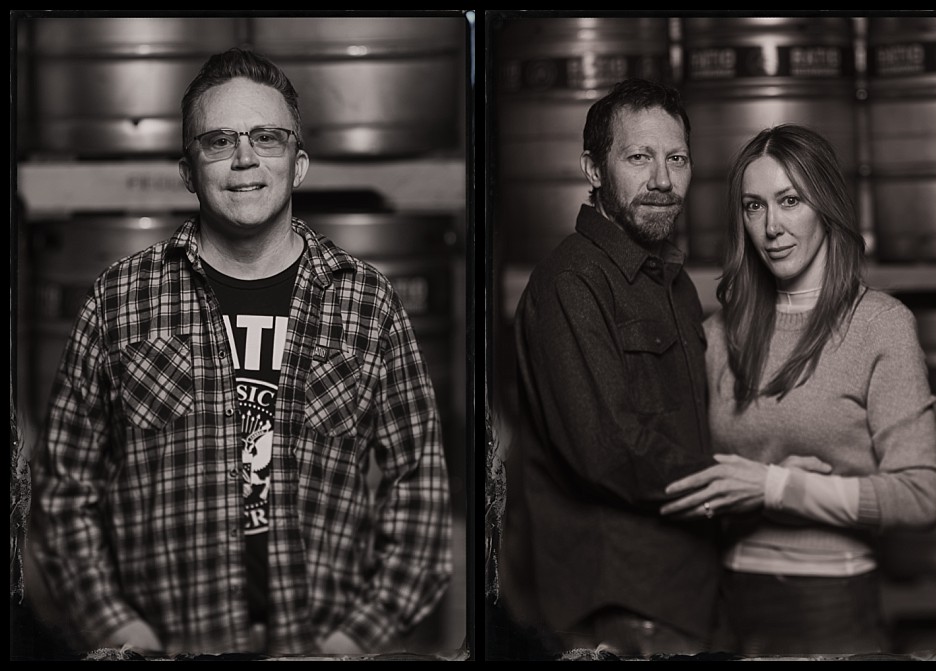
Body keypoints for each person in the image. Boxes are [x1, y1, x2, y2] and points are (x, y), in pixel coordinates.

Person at [30, 48, 453, 657]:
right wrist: (116, 629)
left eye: (268, 138)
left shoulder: (365, 300)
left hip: (317, 646)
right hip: (168, 644)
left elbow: (421, 482)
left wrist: (354, 638)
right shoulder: (122, 295)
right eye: (219, 140)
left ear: (299, 164)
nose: (245, 158)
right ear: (187, 169)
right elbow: (64, 482)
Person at [659, 124, 936, 656]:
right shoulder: (720, 333)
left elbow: (922, 495)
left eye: (790, 201)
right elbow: (699, 487)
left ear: (825, 205)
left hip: (831, 606)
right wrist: (745, 494)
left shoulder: (878, 325)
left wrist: (775, 488)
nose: (771, 227)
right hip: (724, 604)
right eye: (753, 206)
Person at [499, 78, 724, 658]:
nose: (662, 181)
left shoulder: (670, 284)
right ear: (594, 169)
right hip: (622, 608)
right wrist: (744, 485)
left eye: (676, 158)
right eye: (639, 157)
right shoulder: (572, 282)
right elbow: (608, 449)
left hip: (685, 592)